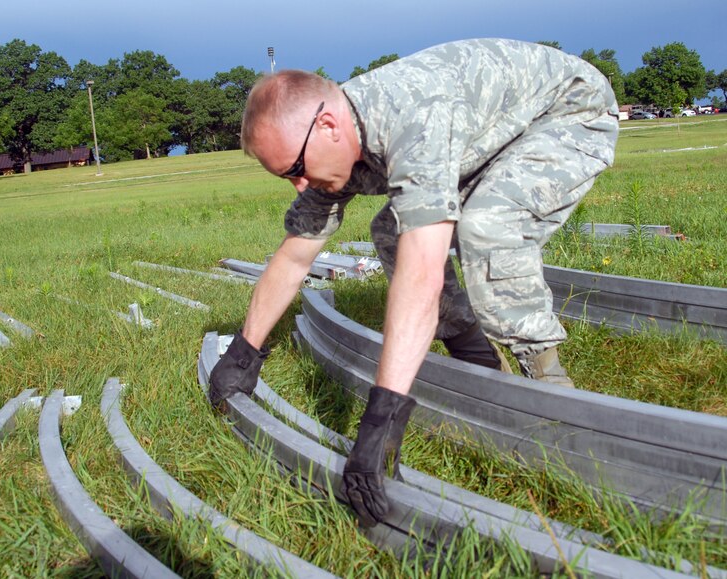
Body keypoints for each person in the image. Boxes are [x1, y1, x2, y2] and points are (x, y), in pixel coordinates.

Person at [209, 38, 618, 528]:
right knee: (391, 229)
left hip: (566, 114)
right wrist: (244, 352)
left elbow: (421, 273)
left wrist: (380, 421)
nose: (299, 184)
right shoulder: (330, 153)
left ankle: (552, 392)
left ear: (328, 126)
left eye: (296, 170)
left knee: (490, 225)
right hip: (491, 133)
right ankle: (477, 358)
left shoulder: (413, 120)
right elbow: (298, 252)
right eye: (285, 178)